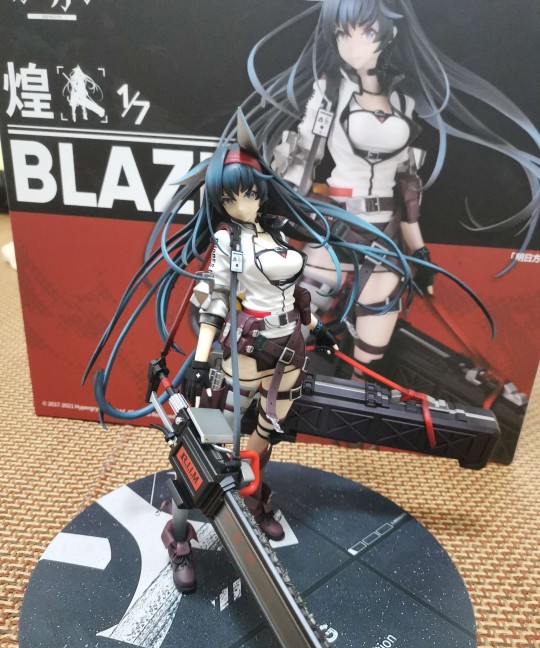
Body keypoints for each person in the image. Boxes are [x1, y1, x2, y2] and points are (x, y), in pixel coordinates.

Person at [84, 111, 491, 592]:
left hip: (288, 360)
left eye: (250, 193)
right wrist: (201, 357)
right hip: (239, 363)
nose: (243, 204)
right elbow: (214, 302)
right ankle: (179, 537)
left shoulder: (276, 233)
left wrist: (316, 329)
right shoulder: (227, 243)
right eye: (231, 197)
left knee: (264, 442)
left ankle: (255, 503)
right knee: (209, 457)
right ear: (221, 201)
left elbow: (294, 296)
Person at [239, 0, 539, 371]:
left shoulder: (404, 102)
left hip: (386, 240)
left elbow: (408, 189)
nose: (353, 46)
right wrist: (270, 226)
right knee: (281, 341)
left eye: (366, 33)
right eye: (342, 34)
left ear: (390, 34)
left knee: (369, 360)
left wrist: (420, 252)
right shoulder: (329, 92)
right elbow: (302, 162)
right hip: (335, 231)